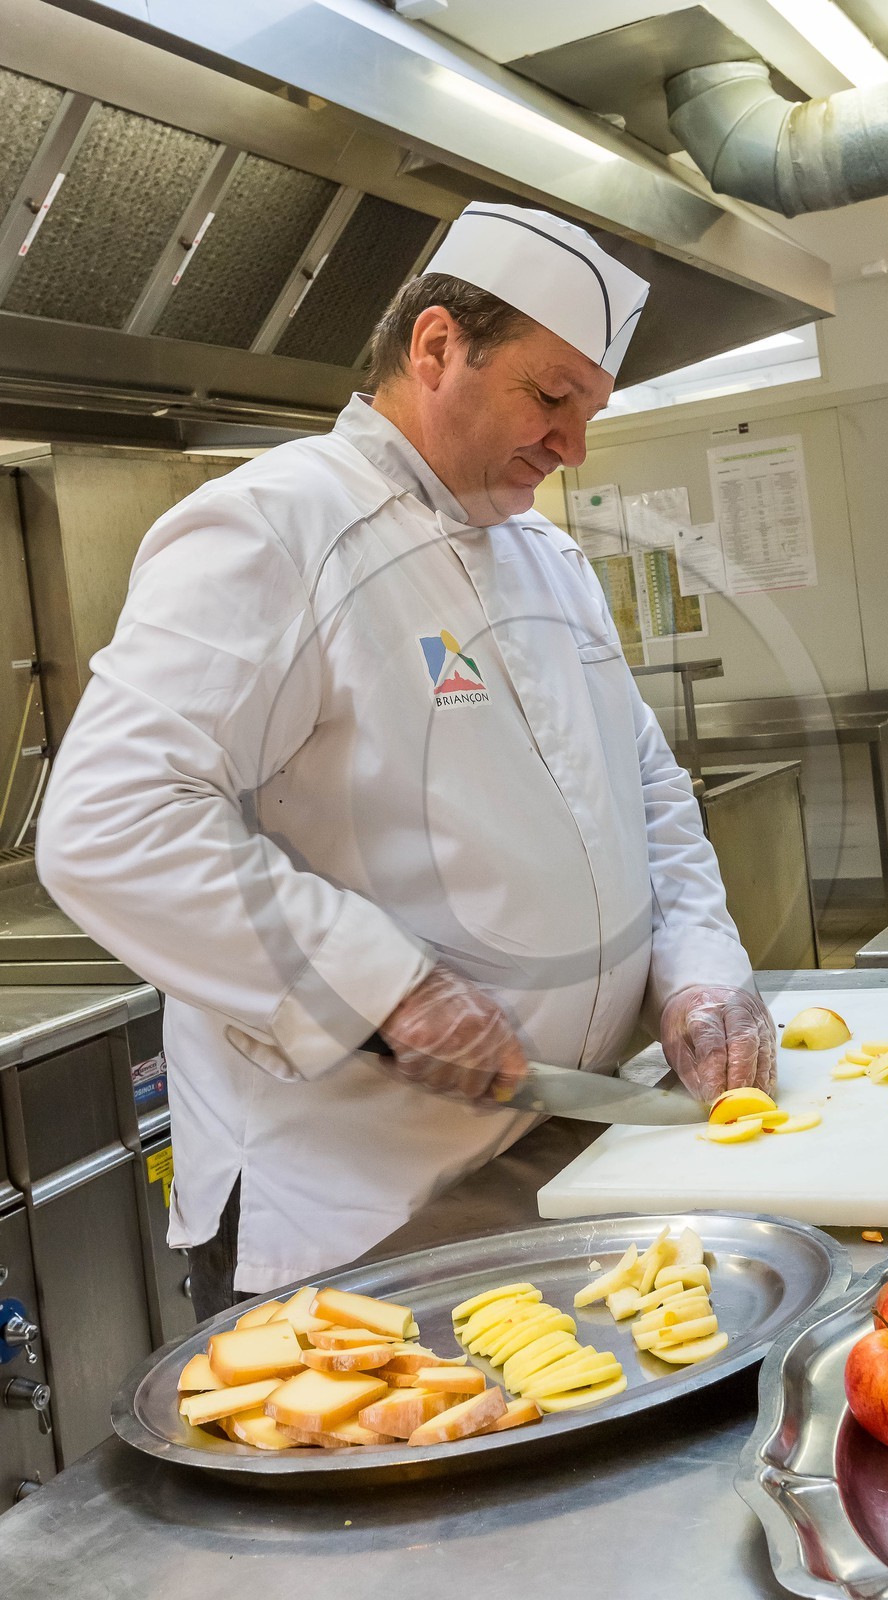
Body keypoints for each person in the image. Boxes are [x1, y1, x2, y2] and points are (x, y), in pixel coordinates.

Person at [37, 202, 776, 1318]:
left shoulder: (550, 560)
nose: (572, 446)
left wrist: (700, 966)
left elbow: (647, 793)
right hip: (356, 1215)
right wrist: (384, 986)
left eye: (589, 411)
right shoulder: (273, 526)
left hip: (563, 1156)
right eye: (551, 397)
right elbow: (112, 822)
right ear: (436, 348)